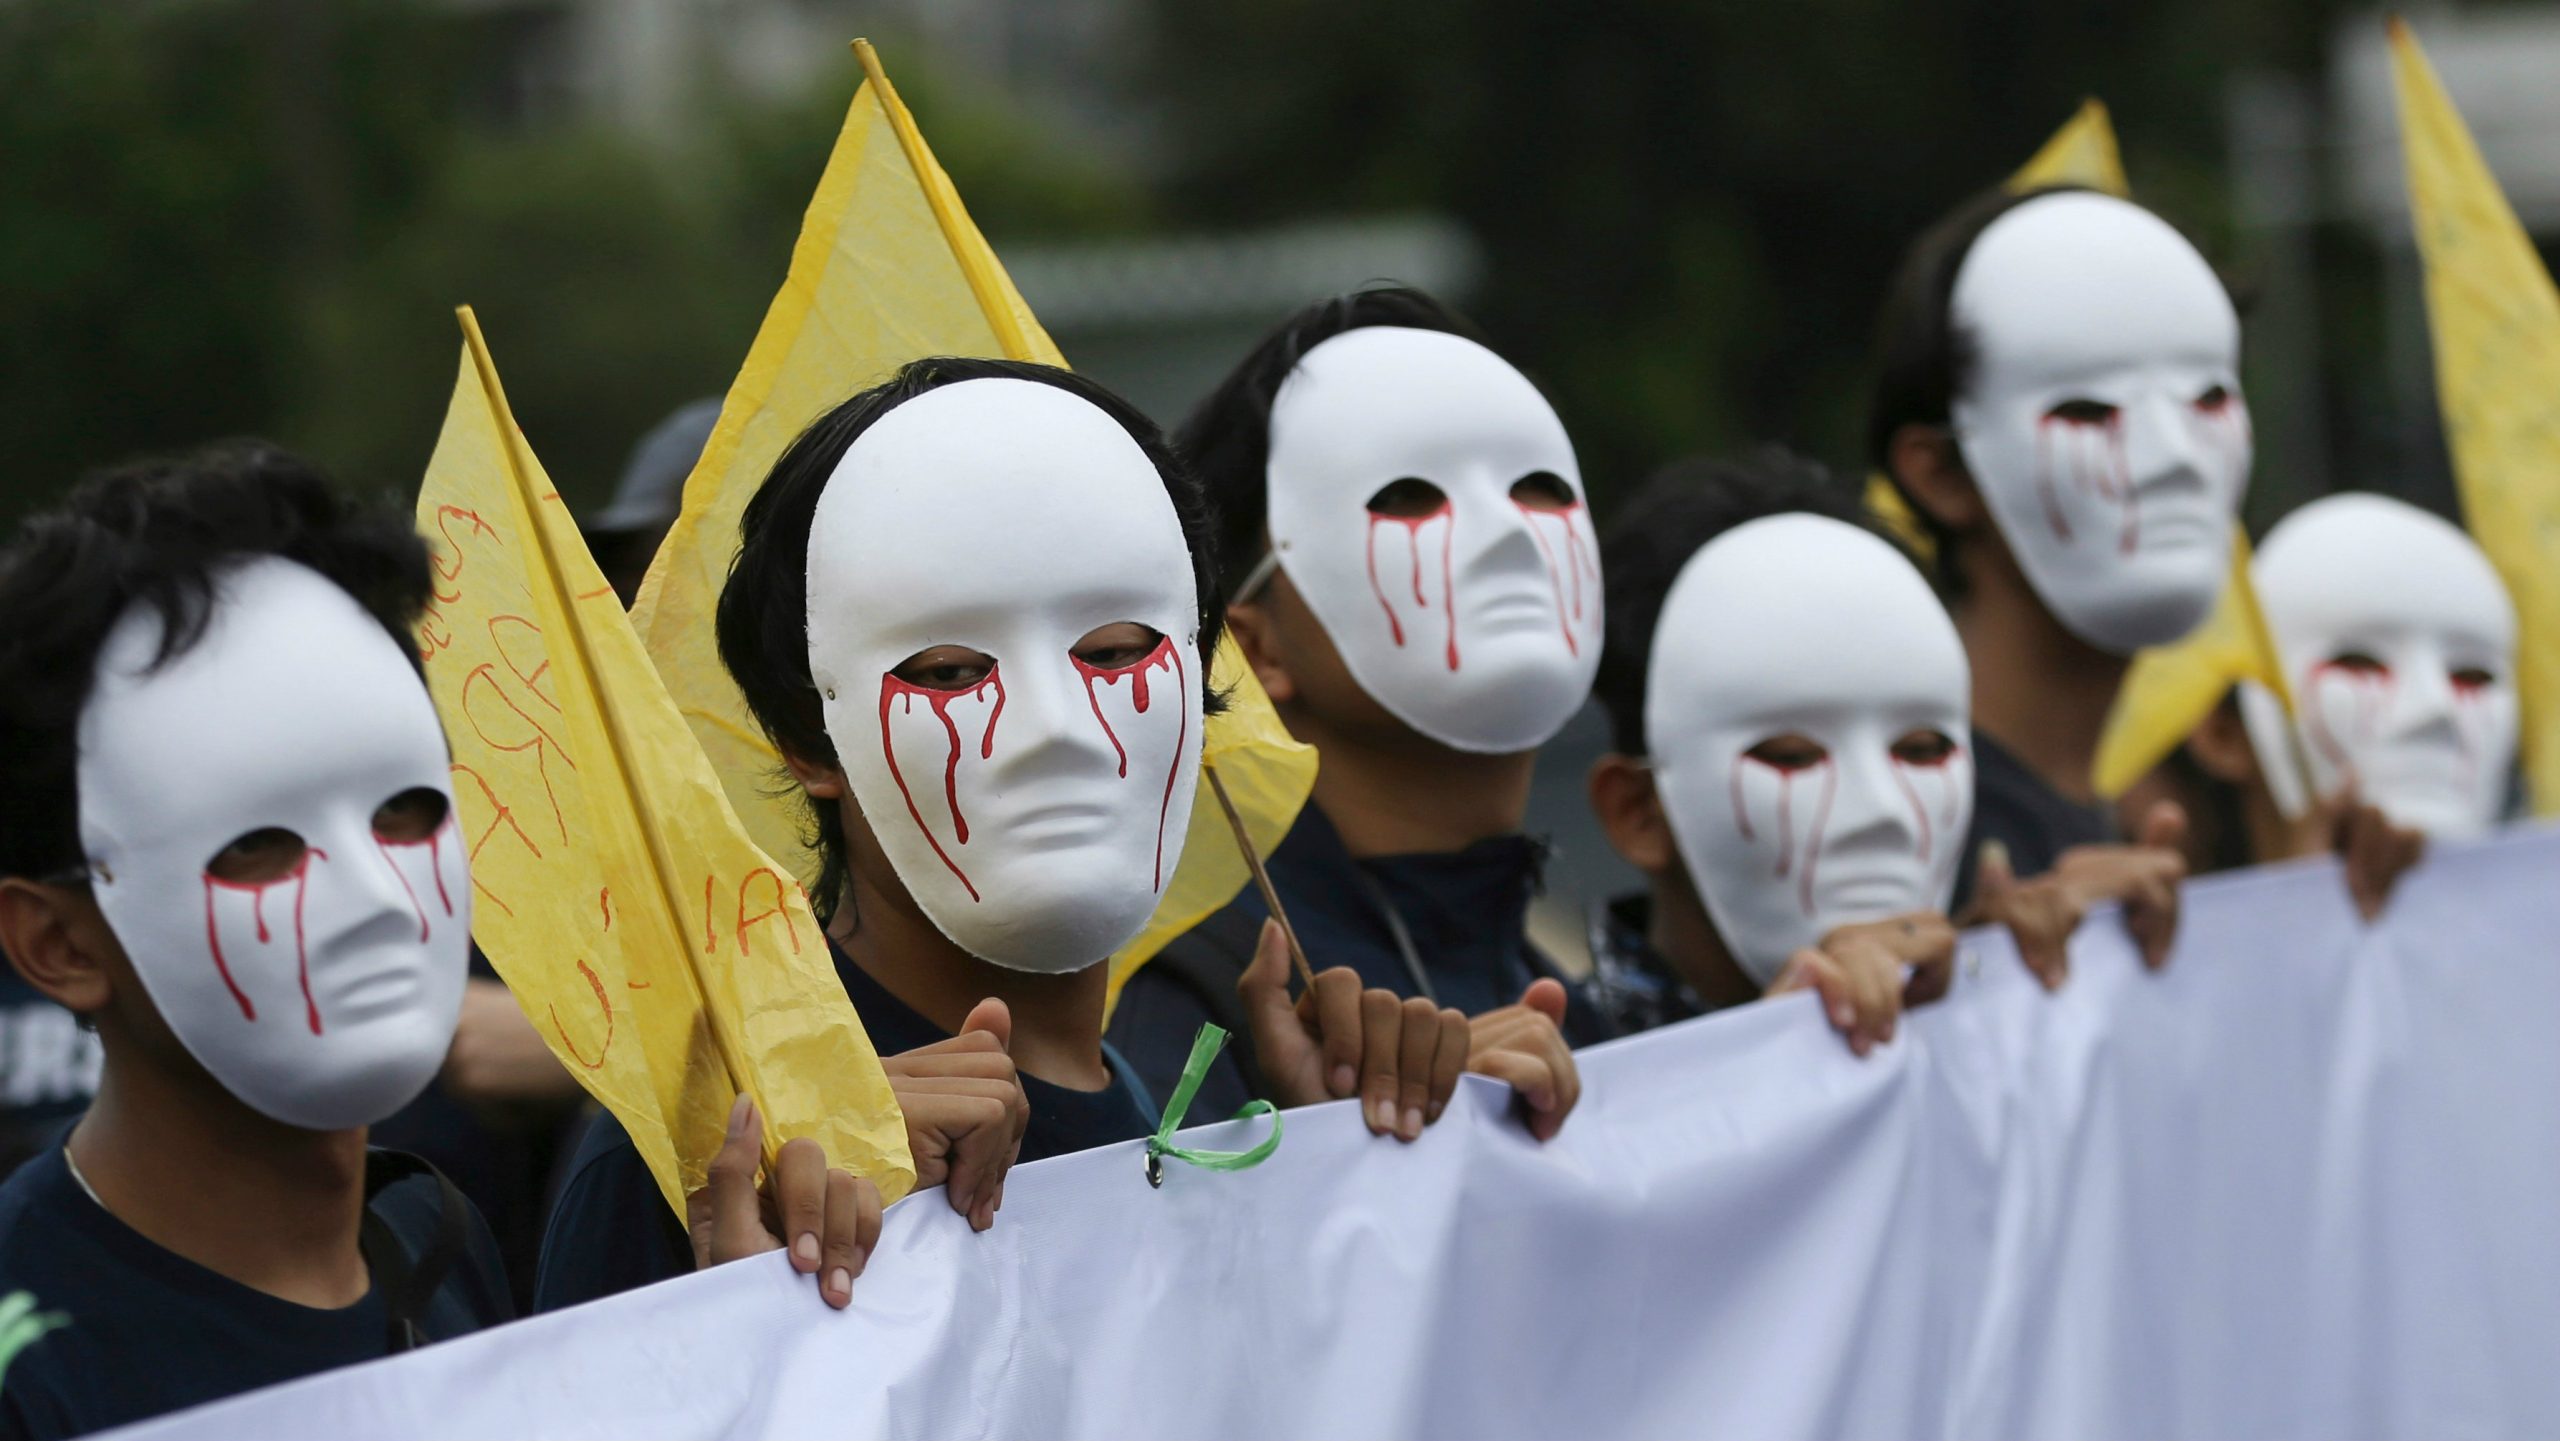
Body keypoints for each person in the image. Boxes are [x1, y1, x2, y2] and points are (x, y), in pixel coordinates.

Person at [537, 358, 1488, 1311]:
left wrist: (1344, 1171)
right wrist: (758, 1305)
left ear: (1199, 694)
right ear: (808, 741)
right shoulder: (722, 1158)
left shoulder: (1198, 1104)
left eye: (1116, 652)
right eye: (948, 672)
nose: (1053, 726)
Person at [1107, 288, 1588, 1135]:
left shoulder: (1581, 1005)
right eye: (1406, 497)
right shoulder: (1201, 1009)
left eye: (1540, 488)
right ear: (1257, 648)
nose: (1507, 535)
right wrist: (1327, 1149)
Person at [1866, 186, 2212, 974]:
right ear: (1942, 473)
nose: (2177, 455)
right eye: (2091, 411)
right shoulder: (1894, 832)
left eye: (2209, 400)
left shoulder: (2134, 812)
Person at [1583, 451, 1961, 1047]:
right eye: (1791, 756)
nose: (1882, 811)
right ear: (1639, 812)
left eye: (1921, 750)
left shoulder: (2000, 1027)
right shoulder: (1548, 1104)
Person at [2142, 492, 2500, 918]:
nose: (2436, 710)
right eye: (2360, 664)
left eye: (2471, 677)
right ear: (2223, 736)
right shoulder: (2152, 969)